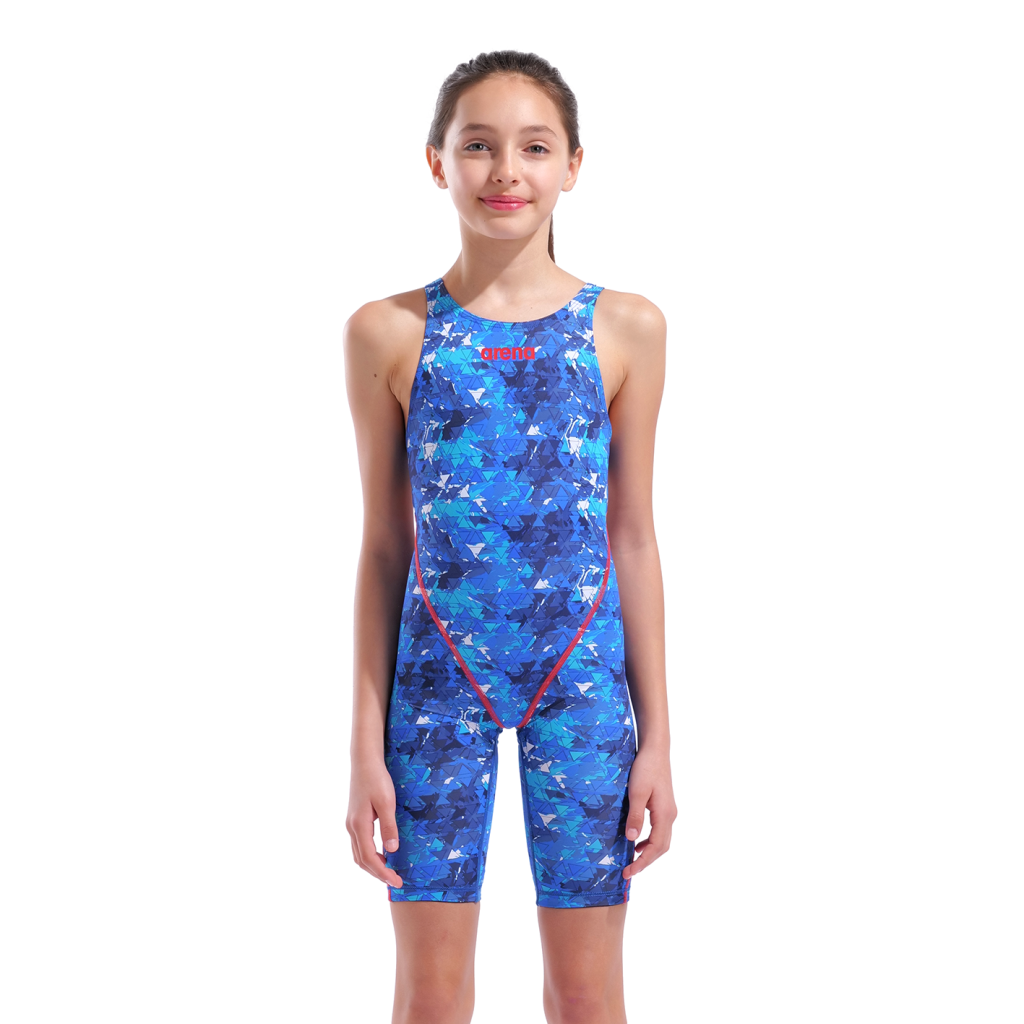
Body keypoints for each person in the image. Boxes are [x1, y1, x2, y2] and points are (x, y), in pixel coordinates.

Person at [343, 50, 676, 1024]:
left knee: (585, 995)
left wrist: (658, 738)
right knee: (429, 997)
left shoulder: (627, 328)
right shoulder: (388, 332)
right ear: (436, 162)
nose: (505, 172)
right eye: (477, 145)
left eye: (534, 147)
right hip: (434, 685)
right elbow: (382, 547)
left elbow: (634, 537)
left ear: (573, 165)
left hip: (581, 684)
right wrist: (364, 743)